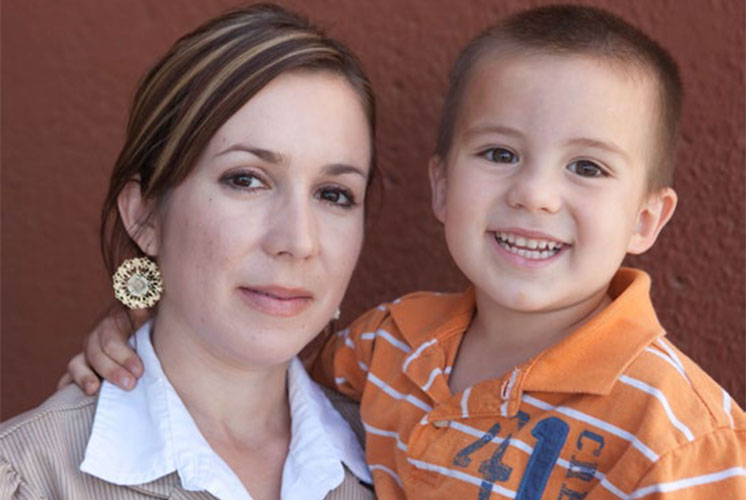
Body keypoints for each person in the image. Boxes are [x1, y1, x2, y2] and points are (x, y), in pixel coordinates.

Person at [63, 4, 746, 500]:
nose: (535, 195)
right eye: (501, 154)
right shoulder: (386, 350)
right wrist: (134, 325)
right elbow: (231, 364)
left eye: (588, 168)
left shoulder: (682, 432)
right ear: (441, 187)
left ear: (648, 219)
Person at [0, 5, 378, 500]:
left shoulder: (402, 462)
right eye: (246, 180)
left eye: (334, 194)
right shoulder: (30, 477)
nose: (299, 241)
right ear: (145, 216)